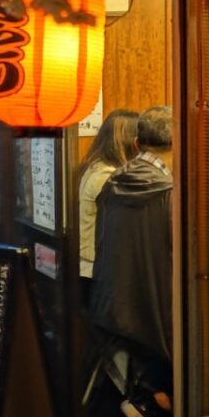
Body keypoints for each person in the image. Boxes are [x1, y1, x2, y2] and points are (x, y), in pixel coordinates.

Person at [89, 106, 175, 417]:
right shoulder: (171, 189)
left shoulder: (115, 181)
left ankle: (146, 397)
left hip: (115, 297)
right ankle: (153, 404)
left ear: (138, 143)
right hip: (159, 298)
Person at [78, 109, 138, 295]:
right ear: (131, 142)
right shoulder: (108, 176)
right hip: (95, 268)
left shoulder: (95, 166)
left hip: (87, 267)